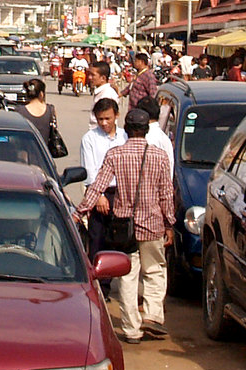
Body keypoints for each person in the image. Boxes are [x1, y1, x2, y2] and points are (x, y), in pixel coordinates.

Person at [75, 108, 175, 343]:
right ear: (146, 130)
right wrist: (170, 223)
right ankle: (152, 316)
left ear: (127, 130)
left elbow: (97, 186)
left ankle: (132, 330)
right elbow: (166, 195)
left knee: (128, 278)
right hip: (152, 225)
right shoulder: (159, 156)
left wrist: (80, 212)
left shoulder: (115, 154)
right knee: (155, 271)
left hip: (122, 226)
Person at [81, 96, 125, 187]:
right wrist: (99, 195)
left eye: (108, 119)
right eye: (100, 119)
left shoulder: (125, 136)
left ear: (117, 115)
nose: (104, 123)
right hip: (100, 190)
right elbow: (89, 171)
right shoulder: (89, 139)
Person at [17, 77, 66, 159]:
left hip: (24, 157)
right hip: (44, 157)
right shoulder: (50, 110)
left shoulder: (19, 110)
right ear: (41, 94)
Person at [122, 51, 159, 116]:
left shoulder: (149, 76)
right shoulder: (138, 74)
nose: (135, 63)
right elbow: (131, 86)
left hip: (141, 111)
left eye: (136, 61)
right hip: (133, 108)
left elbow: (153, 94)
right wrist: (121, 93)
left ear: (142, 62)